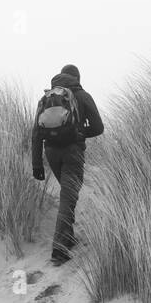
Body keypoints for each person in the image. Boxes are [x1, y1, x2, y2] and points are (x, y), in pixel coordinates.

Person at [30, 64, 104, 265]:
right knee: (68, 199)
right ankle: (59, 249)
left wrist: (37, 164)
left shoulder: (46, 98)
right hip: (72, 152)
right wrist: (80, 132)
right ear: (77, 77)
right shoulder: (83, 96)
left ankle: (68, 239)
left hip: (51, 152)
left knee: (68, 195)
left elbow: (36, 133)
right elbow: (98, 127)